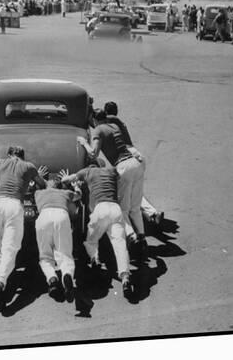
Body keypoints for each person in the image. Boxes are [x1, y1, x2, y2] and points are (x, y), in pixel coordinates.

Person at [0, 146, 48, 311]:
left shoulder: (0, 163)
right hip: (14, 205)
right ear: (22, 156)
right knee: (10, 248)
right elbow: (42, 185)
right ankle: (0, 281)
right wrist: (37, 176)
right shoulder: (28, 166)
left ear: (9, 155)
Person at [76, 117, 148, 258]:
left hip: (123, 166)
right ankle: (142, 237)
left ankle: (132, 236)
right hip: (136, 163)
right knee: (135, 206)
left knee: (122, 208)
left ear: (95, 120)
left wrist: (84, 143)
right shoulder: (114, 126)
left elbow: (93, 153)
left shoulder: (98, 130)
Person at [59, 162, 132, 299]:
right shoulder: (111, 171)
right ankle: (125, 278)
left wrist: (66, 178)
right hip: (115, 209)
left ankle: (95, 258)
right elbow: (124, 178)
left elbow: (66, 180)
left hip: (100, 209)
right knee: (120, 245)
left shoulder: (87, 172)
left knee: (91, 241)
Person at [102, 101, 164, 225]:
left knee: (126, 192)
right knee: (135, 191)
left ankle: (130, 228)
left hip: (126, 157)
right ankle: (152, 213)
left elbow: (98, 122)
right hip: (136, 155)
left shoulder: (110, 120)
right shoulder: (119, 123)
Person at [34, 178, 80, 302]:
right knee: (64, 253)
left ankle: (52, 280)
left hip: (44, 217)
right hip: (62, 216)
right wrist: (74, 185)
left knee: (45, 256)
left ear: (47, 185)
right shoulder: (64, 193)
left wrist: (40, 178)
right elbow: (78, 195)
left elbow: (31, 187)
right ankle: (67, 275)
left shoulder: (39, 193)